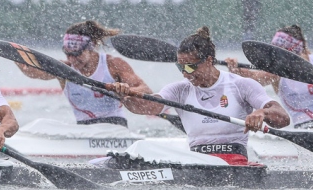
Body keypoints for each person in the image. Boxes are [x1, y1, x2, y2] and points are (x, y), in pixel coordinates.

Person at [116, 27, 290, 159]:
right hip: (197, 160)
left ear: (208, 61)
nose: (185, 73)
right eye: (181, 67)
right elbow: (147, 106)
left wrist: (262, 113)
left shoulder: (240, 85)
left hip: (235, 160)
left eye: (190, 67)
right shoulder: (179, 90)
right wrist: (125, 97)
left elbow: (283, 118)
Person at [224, 24, 313, 129]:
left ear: (299, 50)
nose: (281, 60)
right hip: (305, 130)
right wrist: (236, 69)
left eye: (285, 54)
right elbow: (252, 78)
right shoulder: (277, 72)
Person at [15, 20, 151, 127]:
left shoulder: (113, 65)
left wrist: (127, 90)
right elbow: (33, 72)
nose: (72, 59)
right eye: (68, 54)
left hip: (114, 127)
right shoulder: (63, 69)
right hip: (83, 130)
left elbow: (146, 90)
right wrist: (17, 58)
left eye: (76, 54)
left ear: (91, 48)